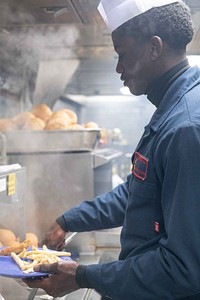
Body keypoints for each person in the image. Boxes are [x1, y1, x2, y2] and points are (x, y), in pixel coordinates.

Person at [24, 0, 200, 299]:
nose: (119, 68)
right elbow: (136, 191)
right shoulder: (172, 109)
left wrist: (82, 276)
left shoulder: (186, 128)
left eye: (123, 55)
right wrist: (68, 221)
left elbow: (183, 268)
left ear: (154, 48)